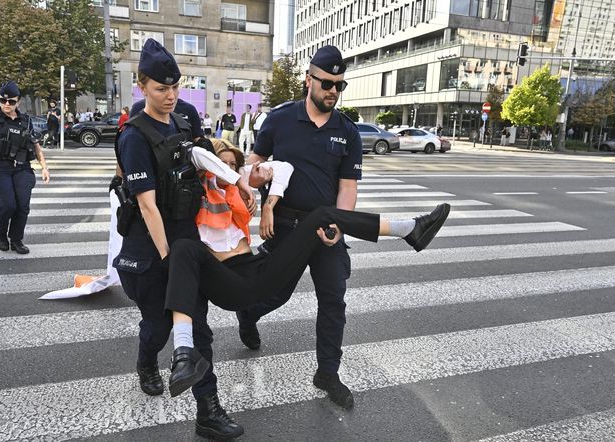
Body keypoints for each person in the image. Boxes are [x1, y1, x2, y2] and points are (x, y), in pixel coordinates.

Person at [164, 140, 450, 405]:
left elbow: (284, 168)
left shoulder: (240, 181)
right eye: (222, 163)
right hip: (227, 281)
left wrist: (269, 201)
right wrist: (236, 178)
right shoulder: (201, 184)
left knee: (322, 215)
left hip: (256, 271)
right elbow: (196, 155)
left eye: (234, 163)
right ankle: (184, 354)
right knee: (183, 248)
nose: (229, 168)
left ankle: (409, 229)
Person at [112, 39, 251, 440]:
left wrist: (239, 183)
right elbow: (149, 207)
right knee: (157, 325)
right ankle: (145, 361)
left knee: (199, 330)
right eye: (161, 88)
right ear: (142, 86)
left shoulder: (181, 123)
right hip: (152, 246)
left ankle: (208, 411)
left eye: (175, 87)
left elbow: (208, 162)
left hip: (186, 242)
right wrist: (169, 258)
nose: (171, 96)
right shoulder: (135, 135)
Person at [235, 45, 368, 409]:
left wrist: (340, 226)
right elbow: (254, 163)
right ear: (308, 80)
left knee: (333, 301)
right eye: (326, 83)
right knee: (276, 292)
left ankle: (327, 372)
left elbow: (347, 187)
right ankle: (248, 313)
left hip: (327, 228)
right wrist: (256, 180)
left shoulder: (348, 131)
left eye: (340, 85)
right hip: (288, 224)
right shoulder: (279, 120)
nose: (333, 91)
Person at [0, 81, 51, 254]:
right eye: (2, 100)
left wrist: (44, 166)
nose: (6, 104)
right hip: (0, 168)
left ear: (18, 102)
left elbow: (35, 145)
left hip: (22, 168)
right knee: (8, 205)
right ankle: (0, 234)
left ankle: (16, 240)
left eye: (11, 101)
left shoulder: (26, 121)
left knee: (22, 206)